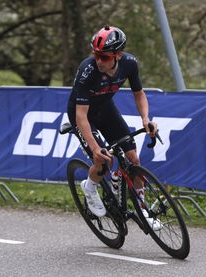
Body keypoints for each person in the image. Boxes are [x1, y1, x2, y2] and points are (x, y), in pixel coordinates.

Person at [67, 25, 158, 222]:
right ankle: (90, 187)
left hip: (105, 109)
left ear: (118, 54)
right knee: (104, 160)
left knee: (134, 159)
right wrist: (94, 147)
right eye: (96, 55)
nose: (99, 61)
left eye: (105, 57)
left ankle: (143, 209)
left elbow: (139, 94)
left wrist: (145, 119)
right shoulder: (87, 70)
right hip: (82, 114)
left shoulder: (130, 64)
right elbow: (81, 116)